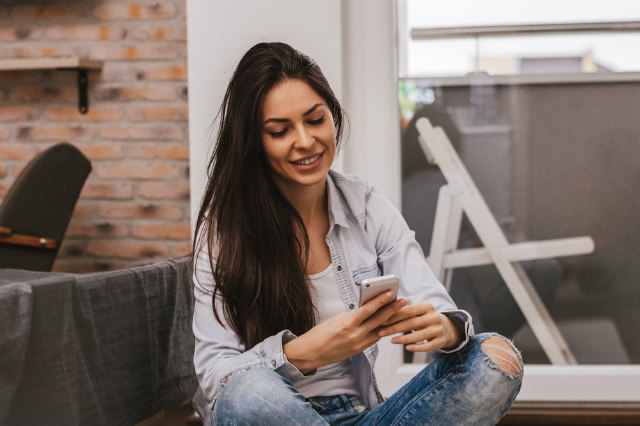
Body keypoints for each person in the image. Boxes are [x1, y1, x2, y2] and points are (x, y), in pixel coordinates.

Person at [192, 42, 523, 426]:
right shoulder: (224, 231)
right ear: (255, 143)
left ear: (332, 117)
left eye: (315, 120)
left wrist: (446, 328)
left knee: (495, 359)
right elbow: (217, 377)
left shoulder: (365, 205)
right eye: (280, 131)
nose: (305, 141)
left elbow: (434, 302)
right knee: (246, 394)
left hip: (360, 417)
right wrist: (301, 354)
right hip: (271, 415)